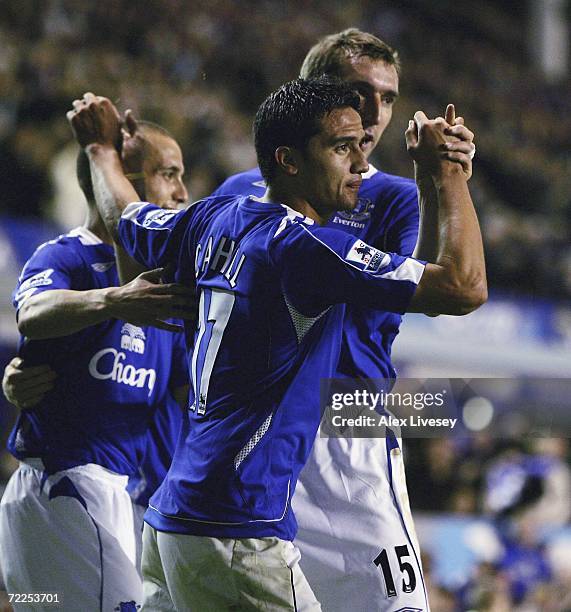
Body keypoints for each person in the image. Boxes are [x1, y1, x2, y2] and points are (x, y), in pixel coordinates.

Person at [68, 77, 485, 610]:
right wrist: (447, 169)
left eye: (361, 144)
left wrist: (100, 151)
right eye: (341, 147)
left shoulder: (209, 217)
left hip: (174, 518)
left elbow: (127, 216)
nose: (360, 162)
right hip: (237, 528)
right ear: (288, 160)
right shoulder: (304, 249)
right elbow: (464, 286)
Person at [212, 28, 476, 611]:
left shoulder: (394, 198)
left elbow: (437, 282)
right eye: (361, 92)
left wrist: (442, 180)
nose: (377, 112)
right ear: (313, 94)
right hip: (255, 438)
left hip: (346, 425)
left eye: (388, 97)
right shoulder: (236, 195)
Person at [0, 122, 193, 611]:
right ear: (120, 181)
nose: (182, 192)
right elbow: (33, 313)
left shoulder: (174, 283)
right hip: (69, 487)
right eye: (168, 174)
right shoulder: (67, 257)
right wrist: (112, 301)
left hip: (138, 503)